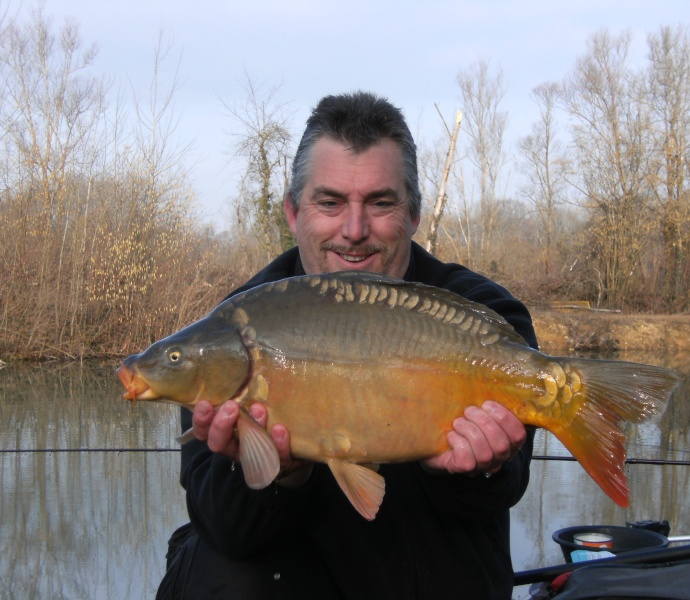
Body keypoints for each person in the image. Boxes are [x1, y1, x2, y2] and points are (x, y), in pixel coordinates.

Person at [157, 91, 539, 600]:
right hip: (292, 580)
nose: (354, 231)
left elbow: (501, 493)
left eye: (381, 203)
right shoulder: (233, 332)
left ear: (414, 215)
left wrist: (478, 469)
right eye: (330, 202)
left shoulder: (485, 314)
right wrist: (280, 473)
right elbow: (227, 532)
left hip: (432, 573)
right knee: (212, 568)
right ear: (294, 213)